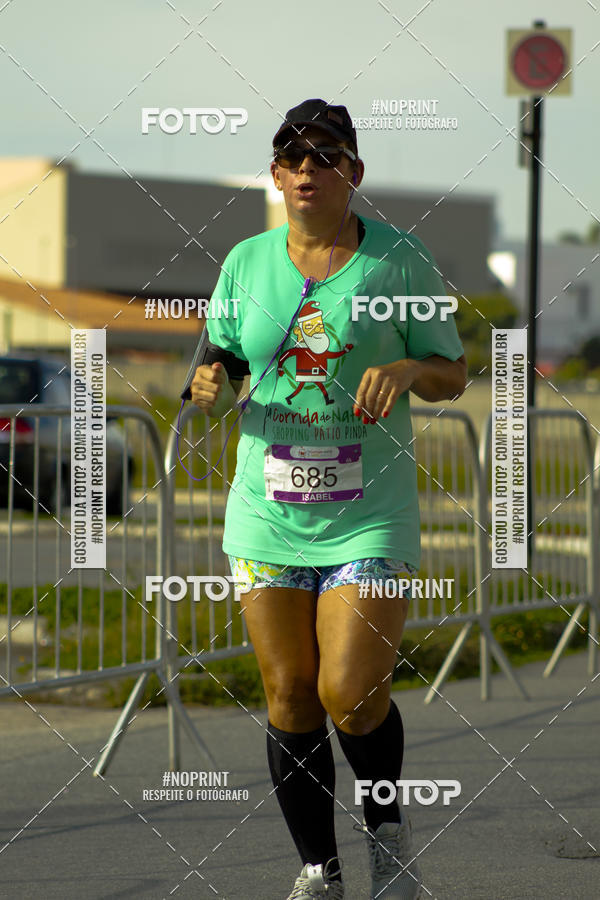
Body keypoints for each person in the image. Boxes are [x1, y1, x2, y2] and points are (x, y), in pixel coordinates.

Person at [190, 98, 466, 900]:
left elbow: (452, 373)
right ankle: (320, 871)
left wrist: (410, 370)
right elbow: (221, 353)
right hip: (267, 509)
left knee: (350, 690)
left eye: (326, 156)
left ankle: (388, 836)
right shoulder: (246, 262)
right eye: (292, 157)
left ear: (355, 172)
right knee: (289, 694)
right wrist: (208, 381)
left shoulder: (400, 260)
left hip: (368, 514)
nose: (307, 169)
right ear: (276, 176)